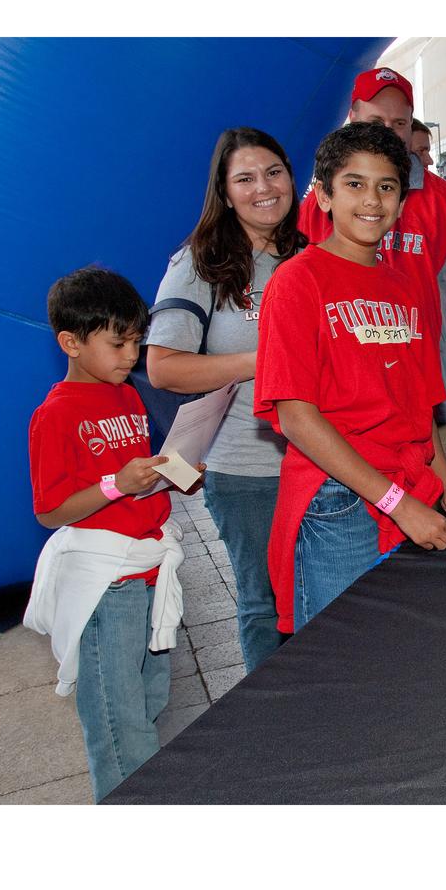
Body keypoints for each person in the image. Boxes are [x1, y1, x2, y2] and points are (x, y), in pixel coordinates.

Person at [256, 122, 446, 633]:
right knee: (338, 669)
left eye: (386, 186)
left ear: (403, 202)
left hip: (408, 490)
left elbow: (420, 411)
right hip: (340, 501)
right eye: (354, 184)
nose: (372, 200)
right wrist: (398, 504)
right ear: (323, 196)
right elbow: (295, 418)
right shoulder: (297, 282)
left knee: (394, 652)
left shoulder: (406, 285)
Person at [24, 266, 203, 802]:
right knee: (119, 721)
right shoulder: (55, 415)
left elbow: (134, 476)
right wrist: (115, 485)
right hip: (108, 585)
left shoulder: (125, 396)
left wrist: (174, 475)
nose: (131, 356)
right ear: (70, 343)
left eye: (137, 341)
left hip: (149, 572)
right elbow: (52, 511)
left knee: (150, 697)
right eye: (118, 342)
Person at [146, 127, 305, 674]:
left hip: (329, 463)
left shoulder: (313, 256)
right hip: (249, 471)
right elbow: (162, 367)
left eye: (274, 172)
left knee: (322, 599)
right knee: (266, 606)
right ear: (225, 190)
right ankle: (269, 730)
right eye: (245, 178)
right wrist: (264, 362)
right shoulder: (199, 263)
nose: (263, 187)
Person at [298, 67, 446, 489]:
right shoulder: (320, 205)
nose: (388, 133)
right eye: (375, 122)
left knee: (444, 511)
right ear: (352, 118)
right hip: (345, 406)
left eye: (399, 123)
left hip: (430, 404)